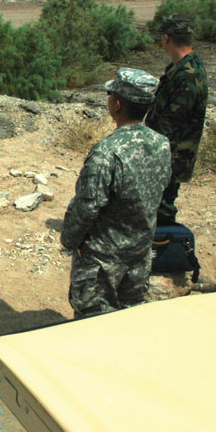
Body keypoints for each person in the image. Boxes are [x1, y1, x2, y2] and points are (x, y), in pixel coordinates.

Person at [62, 68, 171, 318]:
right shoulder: (161, 143)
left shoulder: (106, 153)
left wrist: (70, 240)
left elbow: (87, 206)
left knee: (91, 322)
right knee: (127, 321)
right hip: (139, 254)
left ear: (117, 104)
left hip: (102, 260)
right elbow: (160, 189)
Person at [145, 15, 208, 226]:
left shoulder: (188, 75)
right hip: (166, 151)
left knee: (162, 207)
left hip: (171, 155)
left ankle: (163, 248)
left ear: (166, 38)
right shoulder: (181, 68)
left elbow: (172, 124)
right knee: (155, 202)